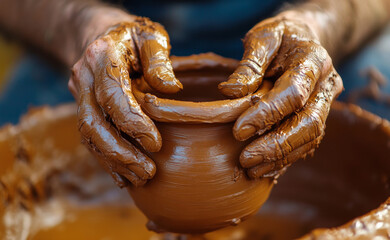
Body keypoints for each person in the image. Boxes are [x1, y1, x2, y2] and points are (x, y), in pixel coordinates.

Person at [0, 0, 389, 187]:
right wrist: (80, 23)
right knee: (15, 157)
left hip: (293, 28)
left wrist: (320, 23)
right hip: (98, 28)